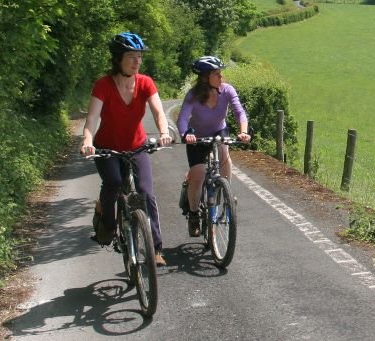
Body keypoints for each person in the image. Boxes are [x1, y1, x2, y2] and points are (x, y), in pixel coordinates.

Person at [80, 32, 173, 267]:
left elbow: (159, 112)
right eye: (131, 56)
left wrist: (164, 133)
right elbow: (92, 118)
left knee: (145, 192)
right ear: (118, 59)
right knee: (112, 182)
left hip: (136, 146)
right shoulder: (103, 85)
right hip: (107, 148)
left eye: (139, 56)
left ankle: (155, 248)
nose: (137, 61)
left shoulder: (145, 82)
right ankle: (108, 225)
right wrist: (87, 142)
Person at [176, 55, 250, 237]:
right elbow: (183, 118)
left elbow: (240, 113)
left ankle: (226, 193)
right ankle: (194, 214)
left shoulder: (227, 91)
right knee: (199, 173)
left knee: (224, 149)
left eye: (220, 73)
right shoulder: (193, 95)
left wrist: (243, 131)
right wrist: (186, 134)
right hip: (197, 137)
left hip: (219, 131)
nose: (221, 77)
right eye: (216, 74)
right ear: (204, 78)